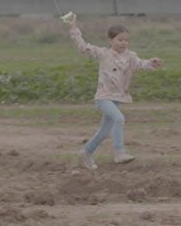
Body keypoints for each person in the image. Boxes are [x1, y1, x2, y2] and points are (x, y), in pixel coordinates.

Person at [67, 13, 163, 170]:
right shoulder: (103, 54)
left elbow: (141, 64)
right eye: (120, 39)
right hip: (103, 98)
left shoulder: (131, 57)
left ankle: (86, 153)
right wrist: (73, 28)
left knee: (104, 132)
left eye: (126, 40)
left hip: (118, 98)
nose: (124, 43)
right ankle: (119, 152)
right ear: (110, 40)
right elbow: (83, 47)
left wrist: (152, 62)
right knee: (119, 119)